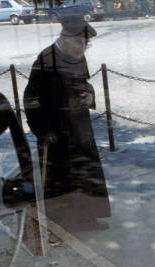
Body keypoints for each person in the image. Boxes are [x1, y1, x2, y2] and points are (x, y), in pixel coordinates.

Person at [23, 14, 110, 231]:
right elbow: (31, 100)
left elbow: (85, 84)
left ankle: (89, 218)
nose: (83, 48)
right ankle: (63, 225)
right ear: (65, 38)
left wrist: (90, 96)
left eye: (86, 44)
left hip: (79, 128)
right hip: (55, 131)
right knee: (61, 179)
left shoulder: (77, 57)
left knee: (85, 174)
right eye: (79, 43)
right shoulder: (46, 59)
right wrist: (42, 131)